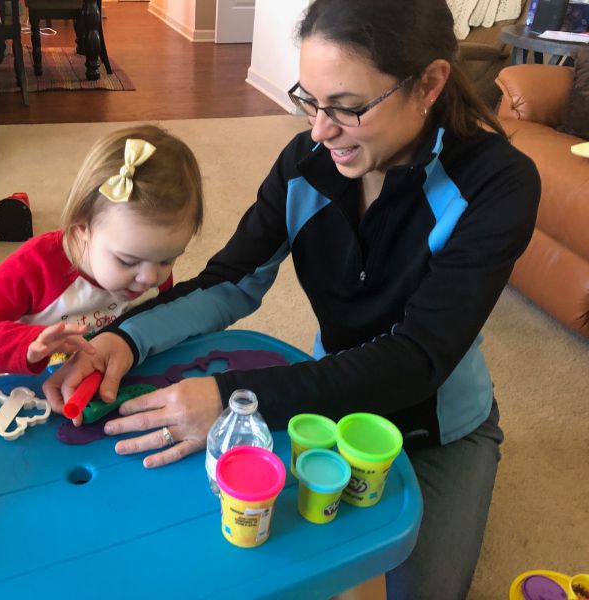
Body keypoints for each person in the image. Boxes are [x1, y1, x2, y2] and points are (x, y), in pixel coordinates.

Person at [43, 0, 540, 597]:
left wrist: (228, 400)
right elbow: (232, 279)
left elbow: (419, 359)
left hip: (437, 427)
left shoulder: (498, 183)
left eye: (348, 108)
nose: (319, 129)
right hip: (321, 400)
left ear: (429, 84)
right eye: (311, 99)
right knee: (238, 558)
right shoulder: (306, 162)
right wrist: (122, 337)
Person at [0, 124, 204, 399]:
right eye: (127, 261)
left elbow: (161, 315)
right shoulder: (37, 265)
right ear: (81, 227)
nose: (150, 278)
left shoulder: (149, 261)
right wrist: (28, 344)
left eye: (168, 260)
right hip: (38, 398)